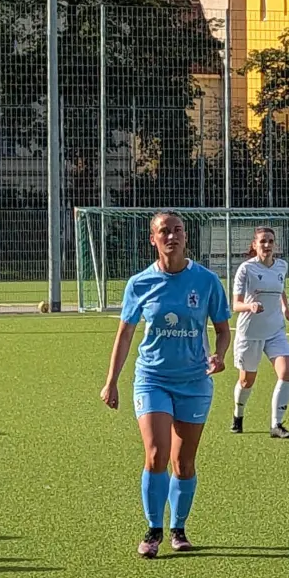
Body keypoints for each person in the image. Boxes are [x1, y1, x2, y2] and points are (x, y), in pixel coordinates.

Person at [101, 211, 231, 558]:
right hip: (152, 379)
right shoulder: (139, 283)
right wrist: (111, 381)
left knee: (183, 463)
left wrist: (219, 356)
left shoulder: (206, 281)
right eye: (164, 231)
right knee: (157, 453)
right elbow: (125, 334)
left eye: (178, 230)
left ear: (186, 237)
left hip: (194, 381)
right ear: (153, 239)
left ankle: (179, 528)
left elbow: (222, 330)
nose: (172, 236)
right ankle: (153, 529)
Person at [230, 227, 289, 438]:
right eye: (263, 241)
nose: (267, 245)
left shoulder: (281, 266)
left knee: (287, 371)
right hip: (250, 332)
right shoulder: (246, 269)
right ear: (254, 245)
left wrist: (286, 310)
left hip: (275, 330)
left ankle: (276, 425)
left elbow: (280, 288)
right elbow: (236, 304)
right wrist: (250, 306)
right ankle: (238, 415)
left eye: (271, 241)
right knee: (246, 381)